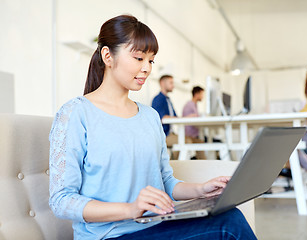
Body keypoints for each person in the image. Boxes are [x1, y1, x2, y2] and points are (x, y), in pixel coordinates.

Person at [48, 15, 256, 240]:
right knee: (229, 227)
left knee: (230, 217)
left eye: (151, 61)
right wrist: (130, 209)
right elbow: (61, 200)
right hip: (109, 235)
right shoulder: (75, 114)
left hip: (155, 225)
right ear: (107, 56)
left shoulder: (149, 116)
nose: (147, 68)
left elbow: (166, 182)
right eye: (138, 58)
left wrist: (200, 190)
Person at [151, 75, 192, 159]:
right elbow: (164, 118)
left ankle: (175, 163)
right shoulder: (158, 99)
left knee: (191, 140)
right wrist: (181, 118)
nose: (173, 85)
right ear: (162, 83)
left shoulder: (168, 100)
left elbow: (175, 117)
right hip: (164, 135)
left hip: (171, 134)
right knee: (187, 141)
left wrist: (186, 117)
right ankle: (177, 166)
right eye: (171, 83)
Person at [182, 86, 207, 159]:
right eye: (202, 94)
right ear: (196, 94)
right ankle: (202, 162)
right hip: (189, 135)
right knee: (201, 143)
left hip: (194, 134)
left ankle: (203, 163)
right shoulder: (189, 105)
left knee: (201, 142)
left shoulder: (194, 105)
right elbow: (186, 120)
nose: (203, 96)